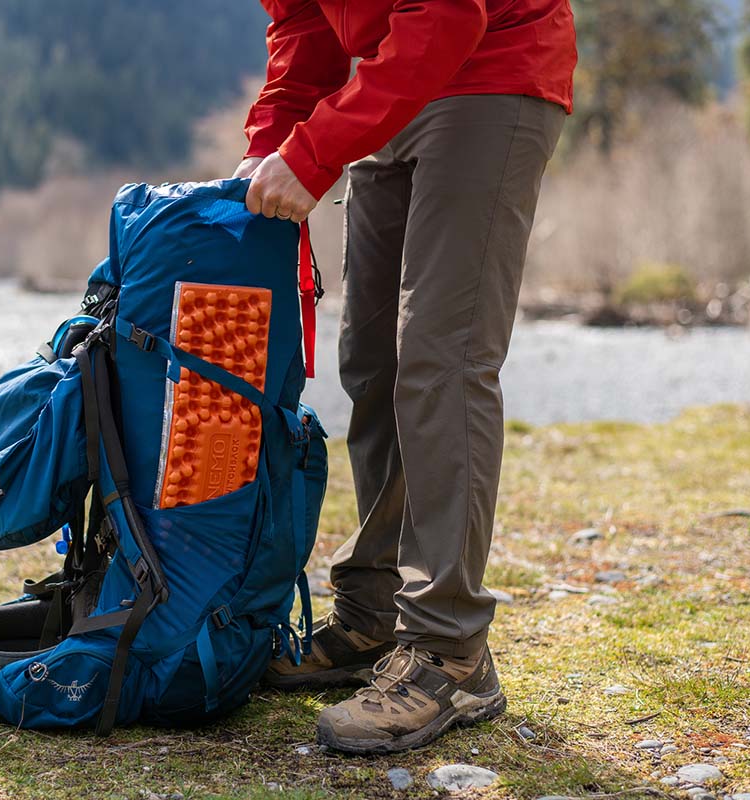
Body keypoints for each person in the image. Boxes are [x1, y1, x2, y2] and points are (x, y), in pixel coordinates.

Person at [234, 0, 577, 754]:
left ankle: (451, 650)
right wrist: (268, 152)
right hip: (395, 77)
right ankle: (375, 615)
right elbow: (302, 28)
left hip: (490, 67)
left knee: (440, 358)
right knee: (372, 359)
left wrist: (316, 150)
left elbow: (451, 16)